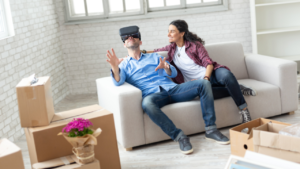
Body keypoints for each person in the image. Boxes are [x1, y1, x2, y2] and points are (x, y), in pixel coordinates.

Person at [107, 25, 230, 155]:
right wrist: (115, 68)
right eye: (127, 38)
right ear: (124, 44)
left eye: (134, 36)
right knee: (147, 103)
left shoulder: (154, 57)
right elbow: (118, 81)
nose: (131, 38)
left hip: (173, 90)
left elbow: (173, 73)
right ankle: (180, 137)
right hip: (153, 96)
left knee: (203, 83)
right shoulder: (124, 65)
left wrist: (166, 68)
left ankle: (211, 130)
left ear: (140, 42)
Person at [151, 20, 256, 123]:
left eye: (172, 31)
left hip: (211, 74)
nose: (168, 34)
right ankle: (237, 88)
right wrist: (139, 51)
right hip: (198, 83)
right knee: (204, 93)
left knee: (227, 75)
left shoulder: (195, 45)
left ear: (182, 33)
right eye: (168, 31)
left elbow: (208, 63)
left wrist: (206, 78)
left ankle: (244, 111)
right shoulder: (171, 48)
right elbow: (155, 51)